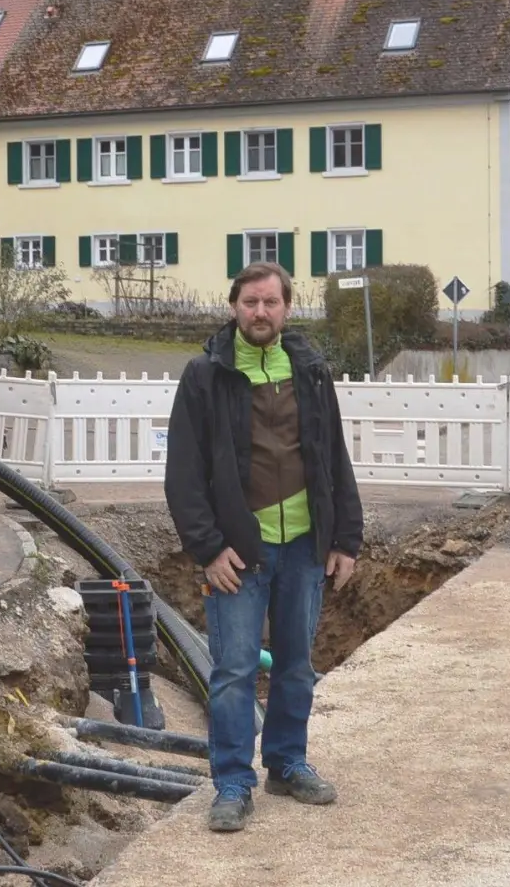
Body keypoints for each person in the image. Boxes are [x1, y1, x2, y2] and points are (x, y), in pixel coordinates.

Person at [164, 261, 363, 831]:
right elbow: (184, 474)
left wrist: (345, 536)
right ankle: (231, 782)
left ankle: (286, 762)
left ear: (287, 308)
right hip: (237, 553)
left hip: (305, 545)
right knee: (233, 670)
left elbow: (333, 458)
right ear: (233, 307)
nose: (259, 312)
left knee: (297, 666)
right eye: (249, 302)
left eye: (270, 302)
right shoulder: (206, 375)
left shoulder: (310, 371)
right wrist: (208, 549)